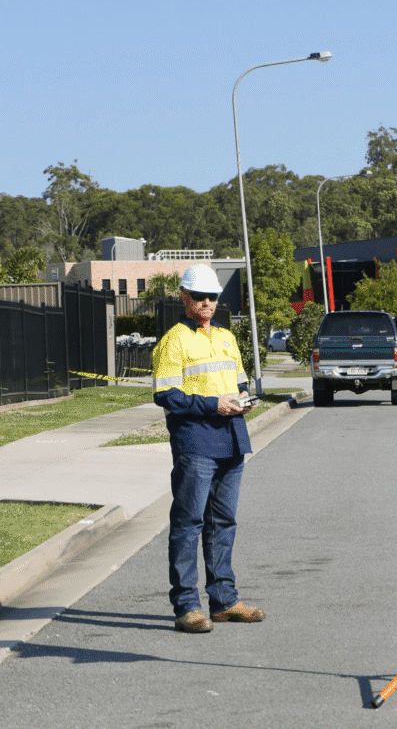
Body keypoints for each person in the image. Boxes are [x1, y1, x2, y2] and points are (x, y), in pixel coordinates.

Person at [151, 263, 266, 633]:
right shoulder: (174, 340)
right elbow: (165, 394)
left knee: (223, 522)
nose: (206, 302)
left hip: (232, 439)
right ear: (184, 297)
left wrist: (246, 398)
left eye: (212, 296)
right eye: (198, 296)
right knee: (188, 523)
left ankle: (224, 601)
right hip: (197, 440)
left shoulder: (227, 338)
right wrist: (213, 404)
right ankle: (187, 605)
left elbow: (242, 380)